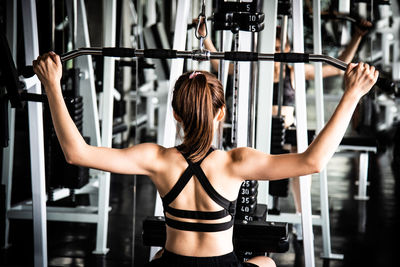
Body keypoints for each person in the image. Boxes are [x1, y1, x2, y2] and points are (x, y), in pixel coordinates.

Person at [33, 51, 378, 267]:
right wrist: (352, 94)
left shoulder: (156, 158)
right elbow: (312, 162)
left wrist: (52, 85)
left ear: (176, 116)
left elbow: (76, 153)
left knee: (158, 256)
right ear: (221, 114)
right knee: (267, 265)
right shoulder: (235, 163)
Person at [198, 19, 372, 239]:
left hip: (286, 130)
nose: (276, 54)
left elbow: (337, 66)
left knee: (301, 155)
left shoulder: (295, 71)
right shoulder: (253, 68)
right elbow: (217, 62)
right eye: (272, 49)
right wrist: (204, 37)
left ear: (288, 50)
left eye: (280, 49)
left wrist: (357, 36)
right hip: (256, 131)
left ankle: (301, 215)